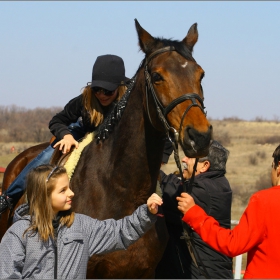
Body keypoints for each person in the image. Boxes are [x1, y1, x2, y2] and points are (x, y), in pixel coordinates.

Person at [0, 54, 129, 215]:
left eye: (108, 91)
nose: (101, 94)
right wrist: (66, 135)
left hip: (114, 139)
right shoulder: (86, 98)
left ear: (120, 85)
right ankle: (8, 197)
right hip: (83, 131)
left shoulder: (131, 98)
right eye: (97, 89)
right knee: (49, 152)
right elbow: (57, 120)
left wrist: (163, 157)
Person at [0, 164, 162, 279]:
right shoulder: (19, 233)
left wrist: (146, 213)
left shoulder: (80, 226)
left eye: (69, 187)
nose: (71, 193)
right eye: (63, 190)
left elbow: (119, 232)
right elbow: (8, 275)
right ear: (44, 196)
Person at [178, 144, 280, 279]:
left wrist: (194, 214)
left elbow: (233, 245)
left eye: (272, 166)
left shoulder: (264, 201)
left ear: (279, 167)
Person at [155, 140, 233, 279]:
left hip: (203, 274)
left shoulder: (203, 190)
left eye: (190, 157)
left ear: (204, 166)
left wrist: (151, 164)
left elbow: (169, 190)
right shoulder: (218, 184)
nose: (184, 159)